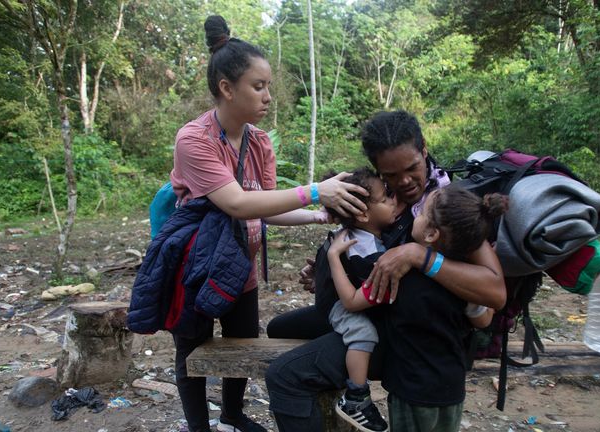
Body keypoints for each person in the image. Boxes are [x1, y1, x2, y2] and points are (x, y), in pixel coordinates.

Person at [167, 15, 367, 432]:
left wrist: (319, 213)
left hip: (242, 269)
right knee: (192, 348)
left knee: (243, 345)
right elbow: (238, 203)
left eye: (268, 86)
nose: (268, 97)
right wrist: (315, 190)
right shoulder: (194, 140)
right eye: (259, 87)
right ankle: (199, 427)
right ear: (227, 88)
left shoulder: (259, 141)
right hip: (197, 271)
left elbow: (266, 207)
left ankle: (233, 415)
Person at [265, 110, 506, 432]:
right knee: (279, 329)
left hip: (409, 334)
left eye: (412, 169)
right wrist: (329, 273)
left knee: (285, 375)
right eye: (391, 176)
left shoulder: (447, 207)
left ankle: (355, 397)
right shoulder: (377, 195)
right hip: (375, 308)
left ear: (424, 150)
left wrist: (418, 254)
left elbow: (495, 294)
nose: (404, 182)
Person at [324, 168, 397, 432]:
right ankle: (356, 396)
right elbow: (351, 301)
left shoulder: (360, 235)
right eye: (385, 198)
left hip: (339, 297)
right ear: (364, 214)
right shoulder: (362, 250)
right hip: (340, 305)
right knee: (363, 333)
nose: (393, 201)